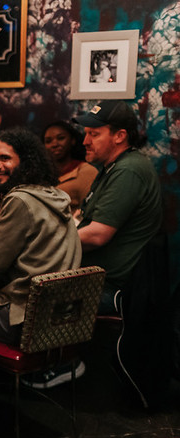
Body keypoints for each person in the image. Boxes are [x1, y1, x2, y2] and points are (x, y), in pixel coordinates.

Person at [0, 128, 81, 390]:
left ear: (26, 160)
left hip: (29, 321)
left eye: (4, 158)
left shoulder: (20, 200)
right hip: (61, 318)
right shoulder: (53, 195)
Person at [73, 100, 162, 314]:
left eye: (94, 134)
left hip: (107, 290)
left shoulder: (128, 170)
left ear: (119, 136)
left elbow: (97, 235)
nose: (85, 141)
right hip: (93, 280)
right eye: (85, 133)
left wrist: (47, 242)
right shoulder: (112, 166)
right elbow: (82, 216)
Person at [42, 121, 98, 211]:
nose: (55, 144)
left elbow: (91, 211)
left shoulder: (85, 171)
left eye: (61, 138)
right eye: (48, 141)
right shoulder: (41, 175)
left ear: (72, 140)